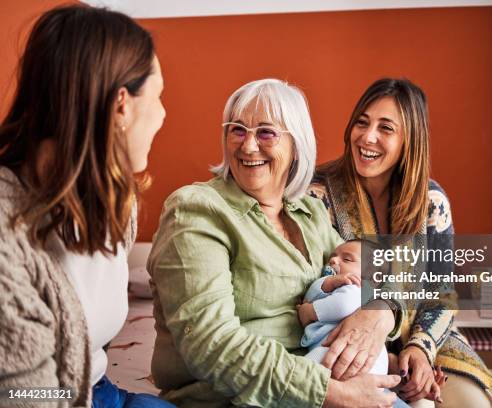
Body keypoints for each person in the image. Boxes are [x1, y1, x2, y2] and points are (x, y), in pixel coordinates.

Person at [147, 78, 404, 408]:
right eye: (237, 130)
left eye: (266, 132)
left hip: (324, 383)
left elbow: (377, 272)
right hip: (241, 399)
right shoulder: (197, 210)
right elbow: (210, 344)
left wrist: (382, 312)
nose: (249, 146)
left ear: (296, 145)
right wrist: (330, 392)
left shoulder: (309, 213)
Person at [0, 5, 173, 407]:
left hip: (99, 392)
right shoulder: (8, 240)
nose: (163, 114)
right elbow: (24, 395)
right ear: (121, 106)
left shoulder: (116, 201)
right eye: (159, 96)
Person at [309, 78, 492, 408]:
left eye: (386, 128)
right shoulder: (317, 194)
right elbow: (318, 277)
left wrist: (420, 347)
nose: (368, 137)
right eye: (361, 123)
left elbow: (440, 292)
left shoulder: (431, 201)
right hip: (351, 335)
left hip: (426, 336)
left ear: (410, 140)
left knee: (478, 404)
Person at [297, 239, 445, 402]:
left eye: (347, 259)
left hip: (336, 357)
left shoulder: (359, 288)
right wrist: (327, 283)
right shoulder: (337, 284)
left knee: (300, 374)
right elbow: (313, 293)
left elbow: (343, 305)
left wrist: (310, 312)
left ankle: (408, 381)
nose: (333, 260)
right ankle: (406, 381)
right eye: (332, 257)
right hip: (367, 363)